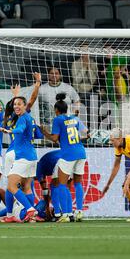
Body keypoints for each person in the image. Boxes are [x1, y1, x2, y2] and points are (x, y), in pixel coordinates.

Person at [1, 73, 41, 223]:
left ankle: (16, 213)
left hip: (17, 154)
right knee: (27, 186)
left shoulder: (15, 118)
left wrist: (10, 131)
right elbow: (31, 100)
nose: (17, 106)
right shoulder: (22, 115)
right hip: (30, 154)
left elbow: (20, 126)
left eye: (19, 104)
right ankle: (31, 215)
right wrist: (37, 84)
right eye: (15, 104)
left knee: (11, 186)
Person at [41, 93, 87, 223]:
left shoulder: (58, 119)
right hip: (81, 153)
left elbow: (54, 138)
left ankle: (66, 214)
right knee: (78, 183)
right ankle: (79, 212)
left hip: (68, 154)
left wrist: (45, 132)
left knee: (61, 184)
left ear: (56, 110)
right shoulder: (75, 118)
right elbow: (85, 133)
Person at [35, 149, 64, 221]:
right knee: (64, 187)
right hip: (72, 157)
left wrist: (47, 208)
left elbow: (45, 190)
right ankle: (68, 213)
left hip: (61, 160)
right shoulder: (42, 164)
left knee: (54, 186)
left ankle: (57, 214)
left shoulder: (38, 170)